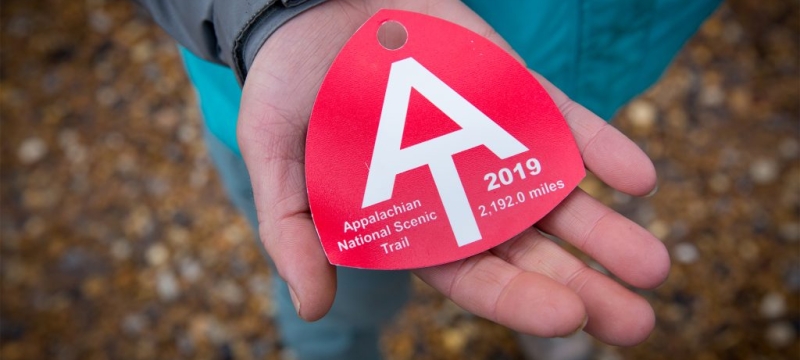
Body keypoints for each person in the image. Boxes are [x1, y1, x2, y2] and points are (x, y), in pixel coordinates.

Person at [134, 0, 721, 359]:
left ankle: (550, 322)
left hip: (562, 75)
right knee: (341, 298)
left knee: (549, 232)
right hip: (311, 116)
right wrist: (274, 10)